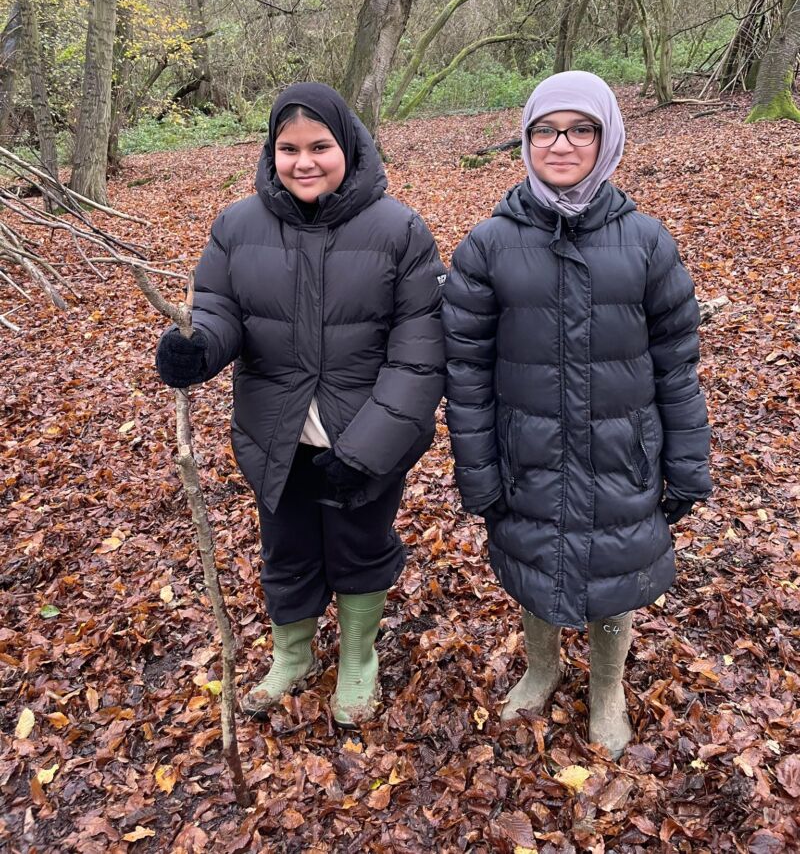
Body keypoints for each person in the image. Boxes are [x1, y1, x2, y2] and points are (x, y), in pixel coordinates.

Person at [155, 82, 445, 727]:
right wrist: (196, 351)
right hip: (275, 430)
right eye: (288, 148)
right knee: (286, 547)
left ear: (349, 147)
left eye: (320, 146)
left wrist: (369, 449)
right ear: (270, 152)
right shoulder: (237, 227)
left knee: (359, 546)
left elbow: (419, 353)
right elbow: (221, 312)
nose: (304, 161)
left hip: (365, 435)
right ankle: (293, 655)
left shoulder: (399, 230)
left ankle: (357, 658)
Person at [442, 70, 711, 759]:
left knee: (612, 574)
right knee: (536, 562)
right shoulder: (487, 246)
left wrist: (686, 464)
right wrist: (478, 470)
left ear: (606, 137)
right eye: (545, 130)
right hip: (525, 451)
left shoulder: (648, 244)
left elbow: (676, 366)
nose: (561, 144)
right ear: (526, 139)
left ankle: (608, 687)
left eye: (579, 129)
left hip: (620, 453)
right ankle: (543, 664)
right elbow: (465, 373)